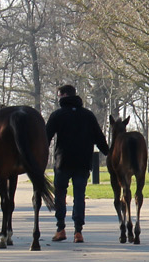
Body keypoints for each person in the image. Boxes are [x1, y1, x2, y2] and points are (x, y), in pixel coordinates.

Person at [43, 84, 110, 243]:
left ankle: (61, 229)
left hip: (63, 162)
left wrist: (36, 157)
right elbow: (99, 139)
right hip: (82, 162)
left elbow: (46, 138)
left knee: (60, 195)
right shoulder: (88, 115)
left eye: (59, 96)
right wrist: (109, 153)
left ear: (65, 95)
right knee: (79, 196)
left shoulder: (57, 115)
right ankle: (78, 232)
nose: (58, 99)